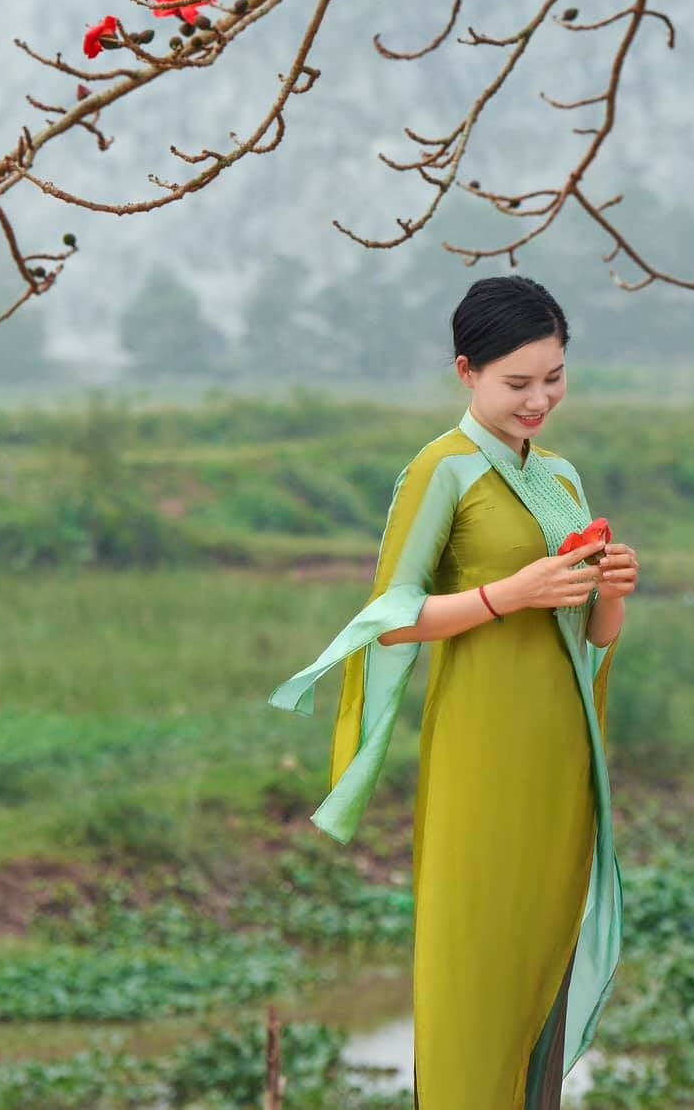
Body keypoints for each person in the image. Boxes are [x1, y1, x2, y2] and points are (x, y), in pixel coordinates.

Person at [267, 275, 639, 1109]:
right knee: (475, 968)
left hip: (561, 756)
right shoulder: (443, 469)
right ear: (466, 370)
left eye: (554, 377)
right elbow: (389, 621)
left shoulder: (563, 476)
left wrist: (609, 587)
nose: (539, 399)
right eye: (517, 383)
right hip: (481, 753)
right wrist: (506, 594)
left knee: (539, 964)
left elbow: (591, 638)